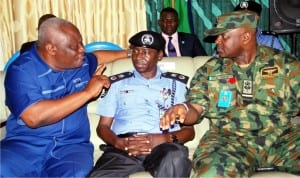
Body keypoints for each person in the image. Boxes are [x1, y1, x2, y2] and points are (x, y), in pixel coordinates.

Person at [160, 11, 300, 177]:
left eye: (223, 36)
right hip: (228, 142)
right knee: (212, 173)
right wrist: (184, 109)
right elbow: (195, 109)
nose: (217, 41)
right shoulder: (210, 70)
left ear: (246, 37)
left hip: (281, 138)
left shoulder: (285, 64)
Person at [1, 17, 129, 177]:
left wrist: (131, 52)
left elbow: (97, 57)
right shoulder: (22, 70)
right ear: (51, 49)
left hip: (71, 146)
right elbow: (33, 117)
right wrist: (87, 93)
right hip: (25, 144)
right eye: (75, 47)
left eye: (81, 43)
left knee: (77, 174)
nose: (82, 50)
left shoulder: (79, 62)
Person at [88, 31, 195, 177]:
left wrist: (163, 139)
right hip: (124, 148)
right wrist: (118, 143)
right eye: (136, 51)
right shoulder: (116, 83)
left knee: (175, 159)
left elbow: (189, 131)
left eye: (146, 52)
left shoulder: (176, 84)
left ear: (159, 55)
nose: (139, 57)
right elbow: (103, 127)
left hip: (164, 146)